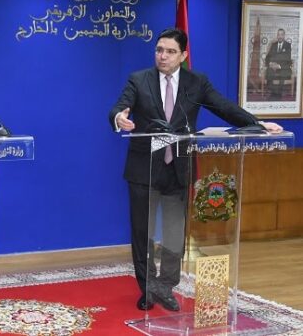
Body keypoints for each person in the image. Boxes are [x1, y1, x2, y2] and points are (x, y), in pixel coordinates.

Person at [108, 28, 282, 312]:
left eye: (170, 52)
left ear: (183, 55)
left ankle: (166, 285)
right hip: (144, 170)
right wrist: (119, 118)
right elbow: (119, 107)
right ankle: (148, 288)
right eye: (159, 50)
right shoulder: (138, 80)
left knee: (175, 233)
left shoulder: (196, 82)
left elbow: (223, 106)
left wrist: (257, 123)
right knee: (143, 232)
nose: (162, 56)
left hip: (178, 168)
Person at [265, 28, 293, 100]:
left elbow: (287, 58)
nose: (280, 36)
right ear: (277, 36)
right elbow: (268, 57)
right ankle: (273, 93)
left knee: (282, 73)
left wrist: (279, 65)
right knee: (269, 71)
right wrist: (271, 63)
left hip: (283, 67)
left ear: (284, 36)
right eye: (278, 35)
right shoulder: (273, 45)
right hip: (273, 67)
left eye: (281, 34)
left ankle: (278, 94)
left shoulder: (288, 45)